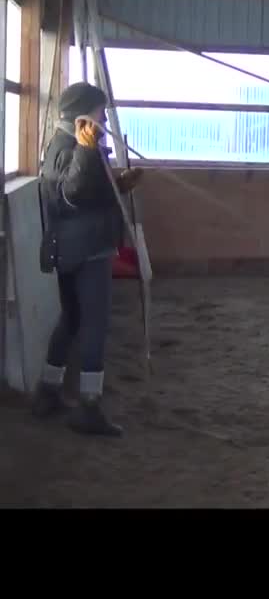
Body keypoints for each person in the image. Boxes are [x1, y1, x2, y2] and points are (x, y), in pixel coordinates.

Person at [31, 82, 144, 437]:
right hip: (87, 249)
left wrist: (121, 185)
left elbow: (87, 191)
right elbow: (76, 193)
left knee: (73, 317)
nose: (103, 118)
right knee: (94, 324)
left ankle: (48, 391)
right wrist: (86, 149)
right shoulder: (73, 146)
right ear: (83, 113)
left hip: (70, 246)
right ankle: (89, 407)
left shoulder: (66, 145)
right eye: (99, 111)